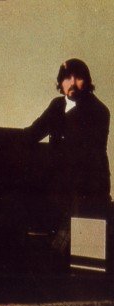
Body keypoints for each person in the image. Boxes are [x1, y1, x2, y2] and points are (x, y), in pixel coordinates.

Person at [24, 58, 111, 214]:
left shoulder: (99, 111)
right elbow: (32, 134)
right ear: (60, 82)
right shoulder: (57, 105)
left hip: (87, 190)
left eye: (78, 77)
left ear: (87, 81)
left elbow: (85, 154)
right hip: (58, 187)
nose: (72, 83)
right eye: (67, 78)